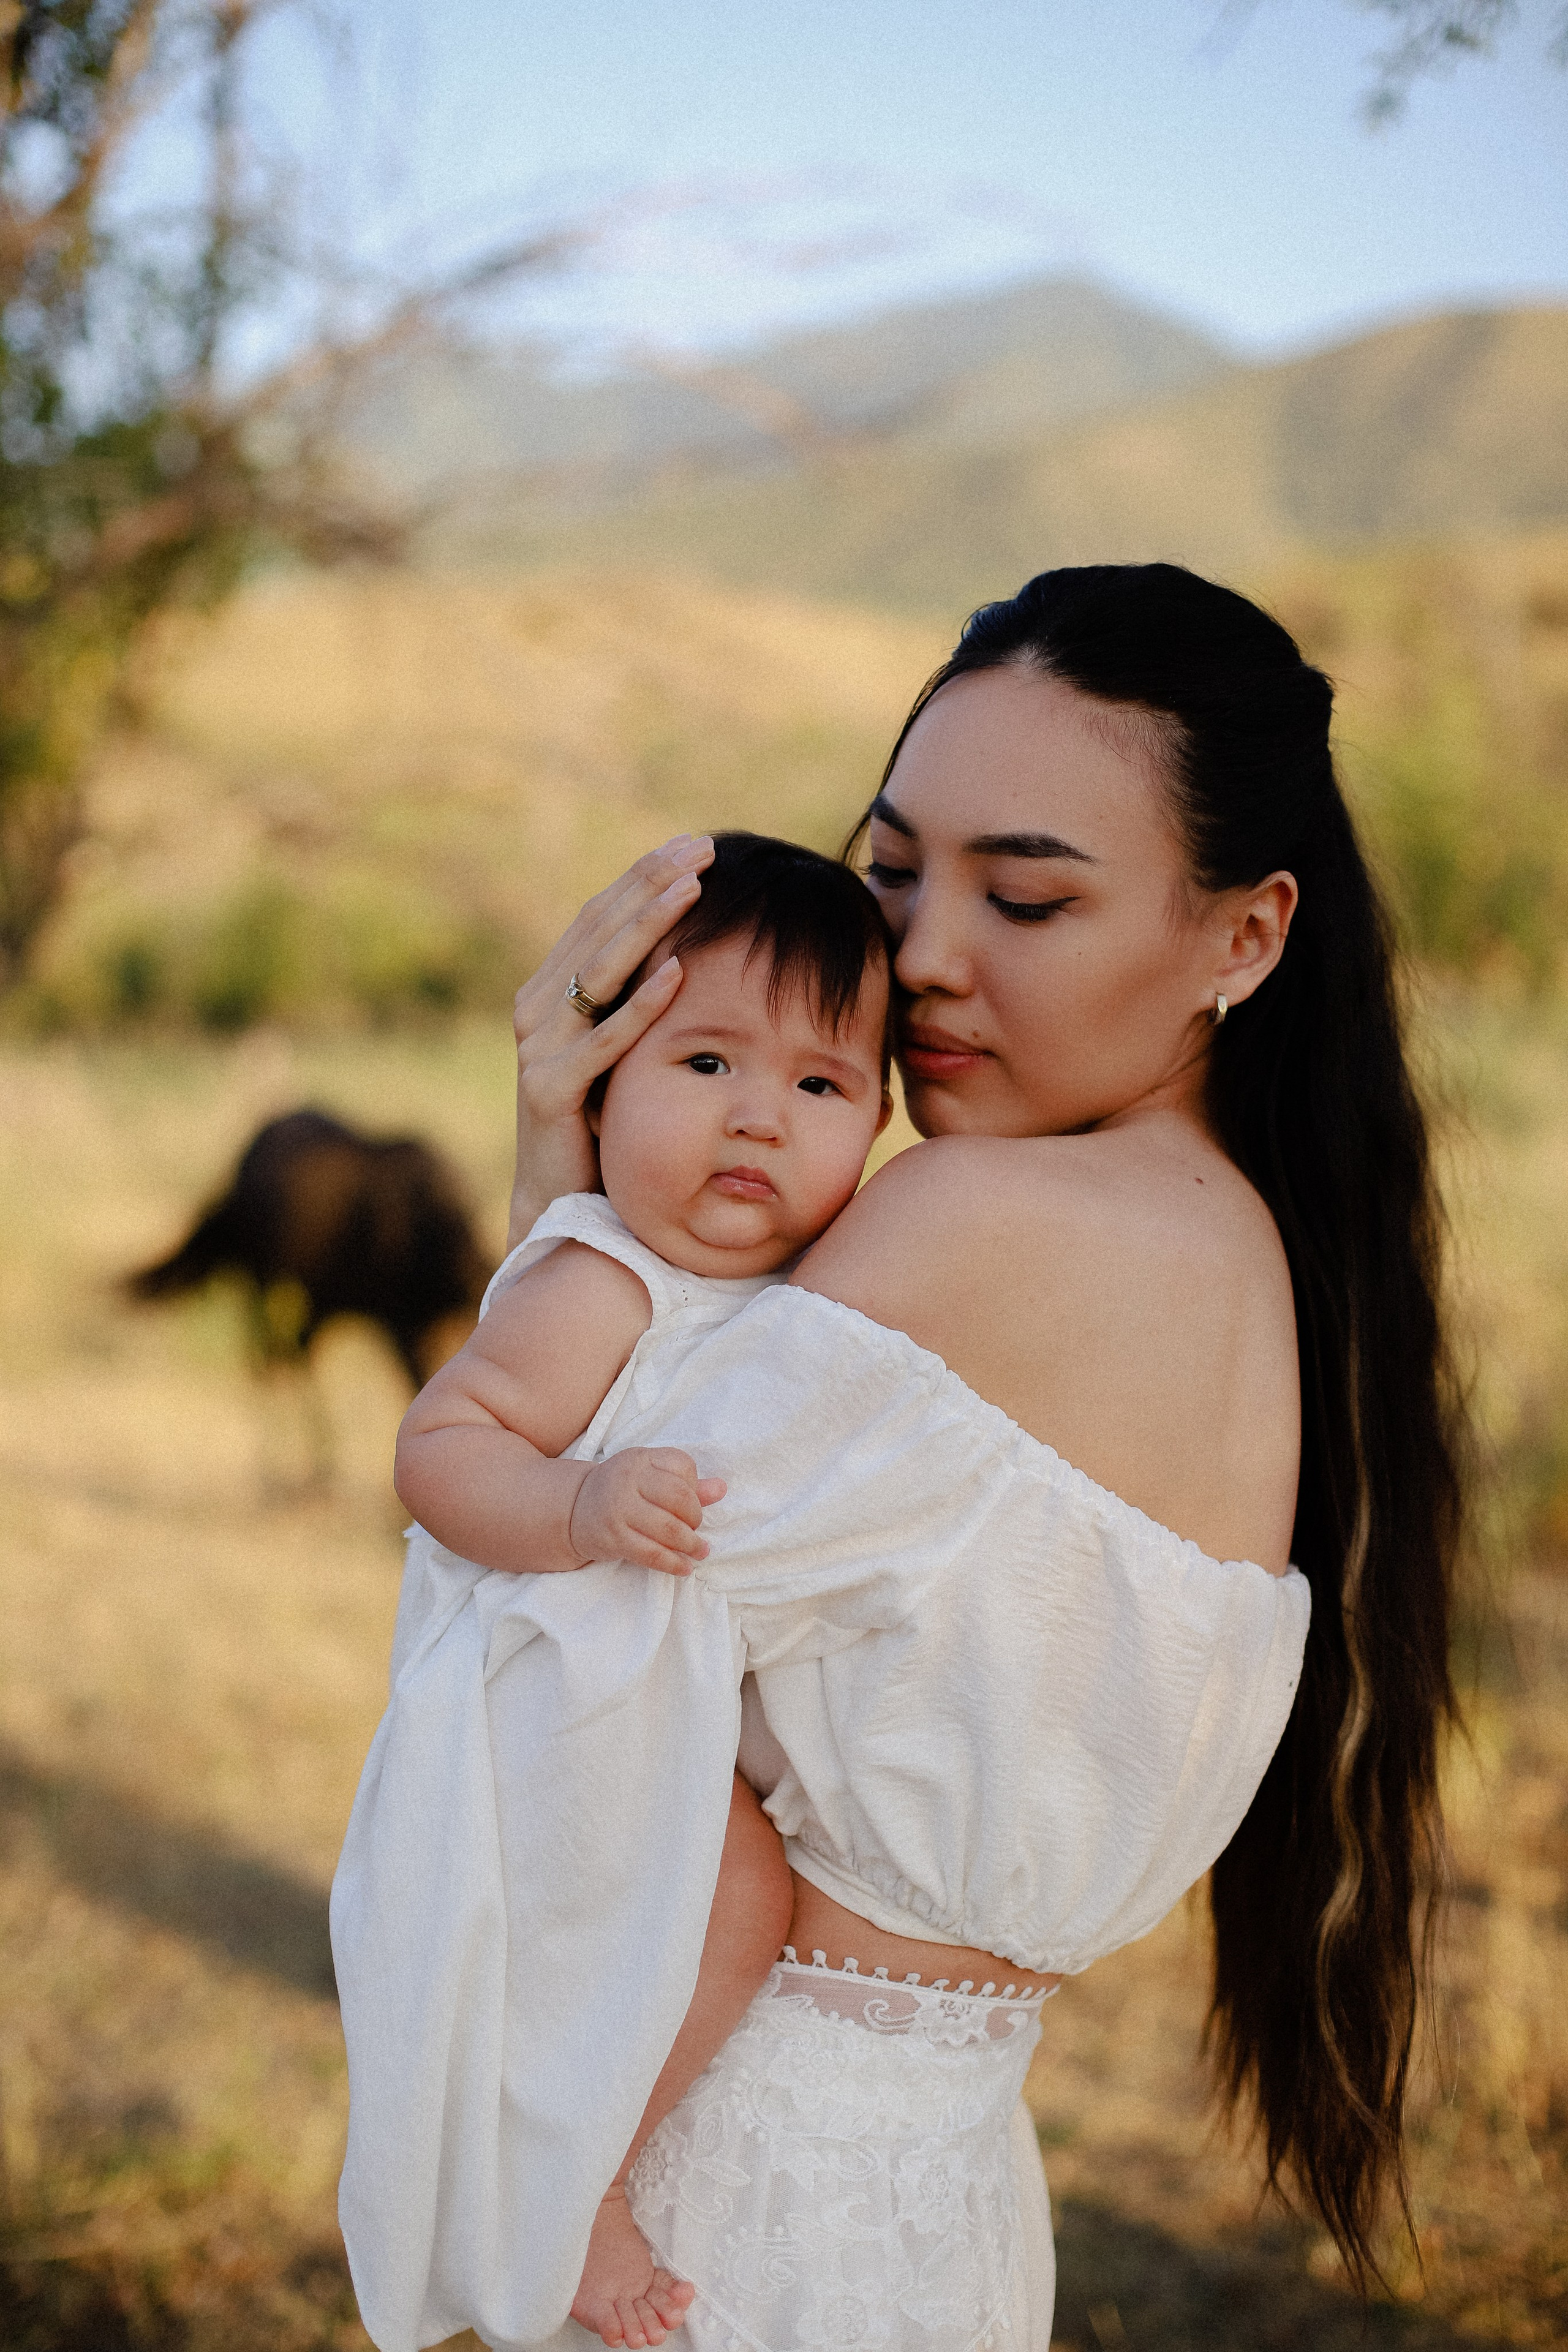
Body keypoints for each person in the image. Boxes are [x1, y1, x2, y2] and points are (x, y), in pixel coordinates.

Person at [334, 564, 1461, 2352]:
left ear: (1244, 938)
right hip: (935, 2220)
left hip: (721, 2211)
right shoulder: (1252, 1257)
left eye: (1025, 895)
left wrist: (565, 1167)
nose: (924, 954)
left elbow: (509, 1644)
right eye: (892, 873)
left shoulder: (972, 1219)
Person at [390, 834, 897, 2343]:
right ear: (601, 1087)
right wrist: (581, 1501)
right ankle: (582, 2191)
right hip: (556, 1687)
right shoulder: (601, 1278)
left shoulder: (799, 1287)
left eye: (820, 1086)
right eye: (706, 1062)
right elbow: (438, 1448)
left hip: (646, 1693)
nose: (758, 1116)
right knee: (740, 1893)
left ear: (878, 1125)